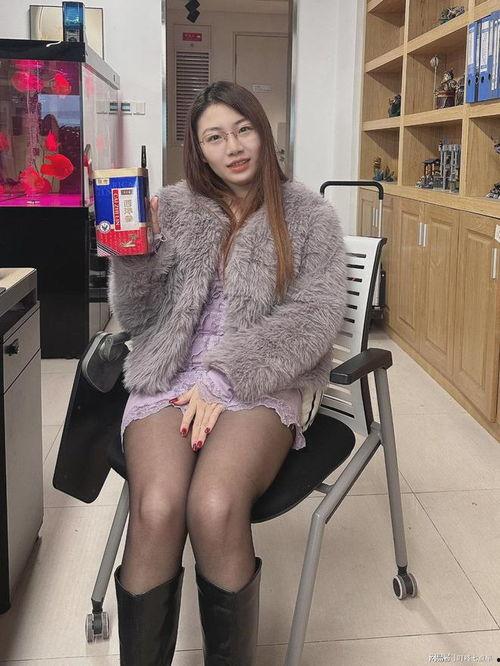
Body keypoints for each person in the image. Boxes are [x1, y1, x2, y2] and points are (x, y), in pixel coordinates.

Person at [108, 80, 347, 665]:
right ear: (198, 149)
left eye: (243, 130)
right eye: (215, 137)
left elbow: (315, 319)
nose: (233, 147)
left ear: (263, 132)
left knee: (214, 505)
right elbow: (137, 318)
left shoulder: (309, 215)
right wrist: (133, 258)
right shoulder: (175, 207)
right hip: (170, 374)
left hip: (262, 379)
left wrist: (224, 378)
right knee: (158, 506)